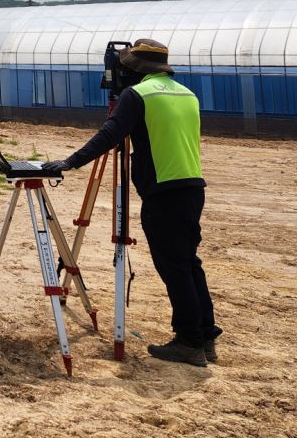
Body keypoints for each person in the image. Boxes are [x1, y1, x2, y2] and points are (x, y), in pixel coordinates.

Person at [41, 38, 220, 367]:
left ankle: (190, 342)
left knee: (175, 268)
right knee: (189, 264)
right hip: (192, 188)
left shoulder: (137, 95)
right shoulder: (187, 94)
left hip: (163, 192)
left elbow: (110, 135)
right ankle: (205, 336)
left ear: (133, 70)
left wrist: (69, 162)